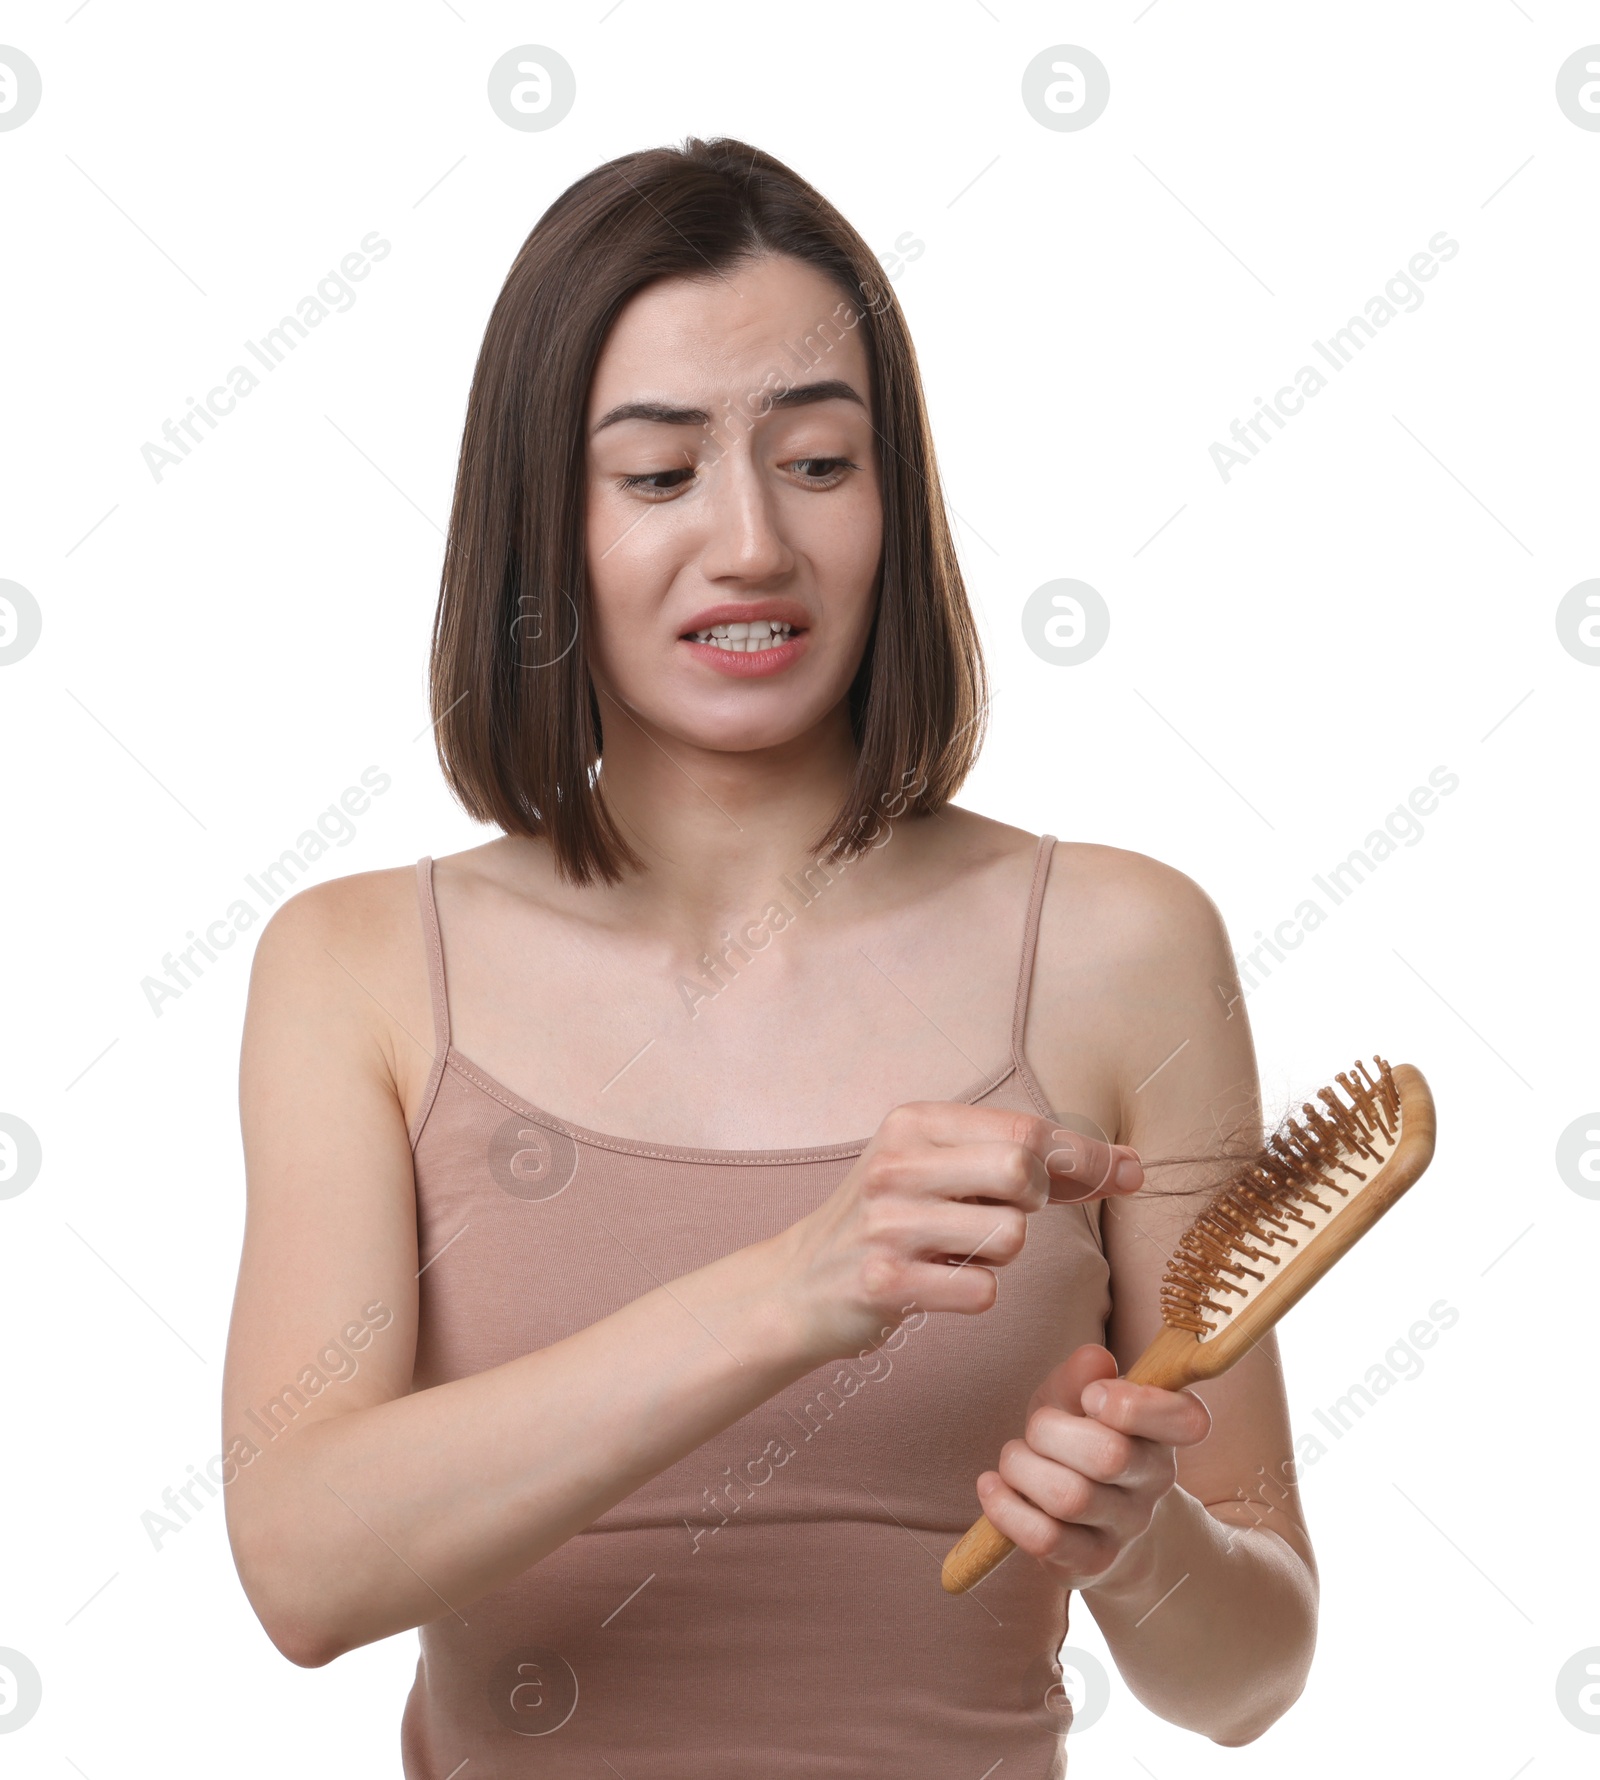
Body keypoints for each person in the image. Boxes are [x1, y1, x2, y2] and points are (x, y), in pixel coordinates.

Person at [223, 137, 1316, 1776]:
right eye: (659, 477)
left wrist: (1135, 1541)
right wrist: (788, 1292)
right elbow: (302, 1569)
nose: (750, 545)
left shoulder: (1121, 950)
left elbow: (1250, 1680)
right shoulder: (362, 970)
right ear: (545, 522)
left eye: (817, 462)